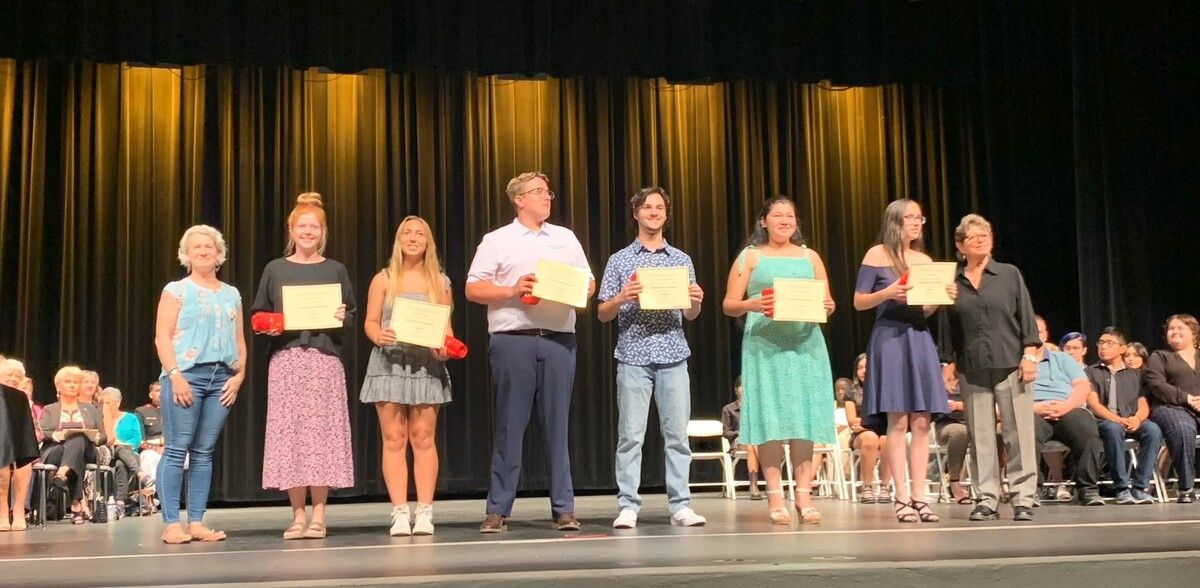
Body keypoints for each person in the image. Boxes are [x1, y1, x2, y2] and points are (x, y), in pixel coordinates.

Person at [466, 171, 594, 533]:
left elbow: (588, 281)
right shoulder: (497, 240)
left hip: (558, 340)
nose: (547, 197)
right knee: (510, 426)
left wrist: (579, 289)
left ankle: (564, 508)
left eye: (548, 191)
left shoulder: (565, 238)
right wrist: (512, 288)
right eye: (538, 191)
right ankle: (498, 509)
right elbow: (473, 289)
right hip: (513, 342)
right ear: (518, 199)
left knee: (558, 426)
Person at [722, 196, 836, 525]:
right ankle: (774, 497)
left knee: (804, 420)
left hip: (806, 345)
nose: (785, 220)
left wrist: (828, 306)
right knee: (770, 421)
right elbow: (729, 303)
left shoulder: (810, 256)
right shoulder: (750, 257)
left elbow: (828, 300)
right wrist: (752, 304)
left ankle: (803, 496)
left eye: (790, 215)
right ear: (763, 221)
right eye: (777, 215)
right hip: (765, 345)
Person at [597, 186, 707, 529]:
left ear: (666, 214)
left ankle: (681, 504)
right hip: (633, 355)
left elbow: (690, 315)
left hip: (673, 354)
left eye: (660, 208)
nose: (654, 212)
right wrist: (620, 298)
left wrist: (697, 299)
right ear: (636, 213)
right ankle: (628, 504)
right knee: (631, 435)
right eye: (648, 207)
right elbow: (602, 313)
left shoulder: (681, 259)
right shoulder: (620, 260)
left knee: (677, 435)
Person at [252, 192, 356, 540]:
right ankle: (297, 515)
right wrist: (274, 323)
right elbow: (258, 315)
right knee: (292, 436)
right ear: (291, 229)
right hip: (287, 360)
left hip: (325, 362)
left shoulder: (335, 269)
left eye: (314, 226)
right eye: (302, 226)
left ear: (323, 231)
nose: (308, 232)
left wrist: (343, 316)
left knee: (322, 437)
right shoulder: (275, 269)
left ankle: (320, 516)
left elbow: (352, 316)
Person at [853, 199, 953, 523]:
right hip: (891, 338)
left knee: (922, 420)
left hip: (919, 336)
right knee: (897, 420)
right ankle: (901, 496)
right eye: (910, 217)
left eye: (919, 217)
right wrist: (889, 292)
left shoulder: (923, 259)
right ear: (895, 220)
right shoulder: (876, 254)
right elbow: (859, 301)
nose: (916, 222)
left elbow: (924, 309)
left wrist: (940, 296)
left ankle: (920, 496)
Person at [360, 216, 454, 536]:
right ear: (398, 240)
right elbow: (371, 322)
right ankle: (400, 511)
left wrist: (445, 348)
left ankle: (425, 511)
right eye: (407, 233)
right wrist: (379, 335)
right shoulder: (383, 279)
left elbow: (446, 330)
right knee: (394, 439)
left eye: (420, 234)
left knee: (424, 438)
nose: (413, 238)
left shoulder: (440, 282)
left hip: (427, 365)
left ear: (428, 242)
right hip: (390, 364)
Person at [153, 224, 247, 543]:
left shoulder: (232, 294)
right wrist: (175, 374)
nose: (204, 251)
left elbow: (239, 341)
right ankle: (170, 524)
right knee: (177, 449)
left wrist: (239, 376)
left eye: (209, 247)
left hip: (222, 377)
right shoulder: (176, 290)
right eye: (197, 248)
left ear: (219, 254)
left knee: (204, 452)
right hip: (186, 375)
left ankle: (196, 521)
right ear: (187, 255)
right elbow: (162, 337)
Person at [944, 214, 1040, 522]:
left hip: (1011, 362)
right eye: (973, 237)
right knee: (981, 435)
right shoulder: (952, 281)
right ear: (961, 246)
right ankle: (987, 497)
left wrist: (1030, 355)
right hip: (972, 365)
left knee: (1018, 433)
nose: (981, 239)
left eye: (985, 234)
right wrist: (947, 361)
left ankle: (1023, 497)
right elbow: (948, 326)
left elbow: (1026, 317)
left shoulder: (1009, 274)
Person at [1085, 327, 1162, 505]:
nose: (1103, 347)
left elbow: (1143, 404)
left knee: (1152, 429)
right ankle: (1121, 487)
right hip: (1105, 421)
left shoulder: (1136, 374)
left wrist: (1137, 418)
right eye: (1100, 343)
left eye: (1109, 343)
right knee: (1112, 429)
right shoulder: (1091, 372)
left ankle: (1140, 486)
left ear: (1122, 349)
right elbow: (1093, 404)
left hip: (1131, 419)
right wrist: (1117, 420)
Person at [1030, 344, 1104, 506]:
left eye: (1039, 331)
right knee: (1026, 429)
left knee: (1086, 426)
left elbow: (1082, 386)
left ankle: (1087, 488)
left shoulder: (1063, 359)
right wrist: (1033, 408)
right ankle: (1030, 491)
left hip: (1067, 407)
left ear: (1044, 335)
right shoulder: (1015, 362)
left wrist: (1066, 406)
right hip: (1033, 409)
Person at [37, 366, 105, 524]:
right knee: (76, 456)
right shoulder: (50, 409)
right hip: (56, 450)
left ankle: (62, 474)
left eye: (76, 382)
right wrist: (57, 435)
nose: (73, 385)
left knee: (79, 437)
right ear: (58, 386)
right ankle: (76, 503)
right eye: (68, 382)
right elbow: (43, 433)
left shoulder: (91, 409)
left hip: (88, 449)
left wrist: (94, 437)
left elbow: (104, 435)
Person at [1144, 314, 1200, 503]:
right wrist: (1187, 398)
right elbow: (1155, 384)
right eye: (1171, 329)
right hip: (1171, 407)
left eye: (1179, 328)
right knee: (1182, 429)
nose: (1174, 332)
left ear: (1193, 333)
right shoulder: (1160, 356)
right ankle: (1186, 487)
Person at [98, 387, 153, 514]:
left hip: (130, 454)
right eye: (102, 403)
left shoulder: (131, 418)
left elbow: (137, 440)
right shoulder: (101, 419)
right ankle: (140, 473)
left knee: (121, 463)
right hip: (108, 454)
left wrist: (122, 444)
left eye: (107, 403)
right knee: (119, 448)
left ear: (117, 403)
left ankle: (119, 503)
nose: (104, 406)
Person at [845, 354, 890, 502]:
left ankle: (885, 487)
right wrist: (865, 423)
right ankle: (867, 487)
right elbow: (852, 420)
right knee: (871, 438)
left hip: (883, 432)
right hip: (861, 434)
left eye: (867, 367)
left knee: (886, 440)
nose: (864, 371)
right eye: (860, 368)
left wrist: (865, 421)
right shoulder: (851, 392)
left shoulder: (884, 389)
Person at [0, 358, 38, 531]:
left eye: (18, 376)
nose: (14, 378)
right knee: (2, 462)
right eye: (10, 375)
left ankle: (19, 509)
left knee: (23, 457)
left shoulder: (22, 397)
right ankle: (1, 511)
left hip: (19, 432)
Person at [935, 363, 973, 504]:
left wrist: (959, 406)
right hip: (946, 425)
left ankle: (994, 484)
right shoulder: (937, 374)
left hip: (974, 422)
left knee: (997, 431)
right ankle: (954, 482)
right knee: (960, 432)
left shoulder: (970, 374)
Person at [721, 376, 762, 499]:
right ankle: (756, 485)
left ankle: (755, 485)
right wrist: (740, 433)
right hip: (739, 441)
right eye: (742, 386)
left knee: (753, 444)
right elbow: (726, 432)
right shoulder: (728, 409)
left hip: (757, 441)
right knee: (750, 443)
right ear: (736, 389)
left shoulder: (758, 408)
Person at [136, 382, 164, 487]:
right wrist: (156, 449)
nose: (161, 393)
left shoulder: (175, 409)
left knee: (189, 458)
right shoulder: (142, 411)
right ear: (151, 395)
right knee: (148, 457)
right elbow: (139, 440)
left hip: (172, 450)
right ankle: (150, 498)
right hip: (151, 450)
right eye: (157, 390)